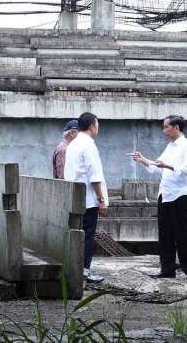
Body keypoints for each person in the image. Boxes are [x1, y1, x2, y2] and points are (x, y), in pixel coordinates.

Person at [127, 115, 187, 280]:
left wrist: (166, 165)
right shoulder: (170, 146)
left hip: (179, 194)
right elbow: (159, 167)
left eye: (166, 127)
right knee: (165, 234)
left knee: (182, 233)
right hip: (165, 194)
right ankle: (167, 269)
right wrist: (143, 160)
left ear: (176, 128)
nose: (164, 131)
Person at [64, 112, 108, 283]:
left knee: (76, 236)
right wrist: (101, 200)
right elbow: (95, 176)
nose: (98, 128)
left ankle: (75, 270)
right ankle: (85, 271)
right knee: (87, 237)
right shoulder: (89, 145)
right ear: (92, 126)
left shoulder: (73, 144)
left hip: (74, 197)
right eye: (97, 124)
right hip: (88, 200)